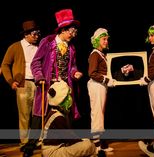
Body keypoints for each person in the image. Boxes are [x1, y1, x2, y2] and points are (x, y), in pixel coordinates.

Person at [23, 9, 83, 157]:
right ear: (63, 30)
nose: (73, 34)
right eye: (71, 31)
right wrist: (39, 76)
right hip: (48, 85)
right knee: (40, 115)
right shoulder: (47, 42)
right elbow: (36, 63)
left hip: (64, 86)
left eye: (75, 31)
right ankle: (30, 146)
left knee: (65, 115)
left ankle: (68, 141)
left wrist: (74, 73)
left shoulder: (71, 48)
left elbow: (72, 66)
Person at [1, 20, 41, 148]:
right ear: (26, 34)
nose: (37, 36)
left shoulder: (38, 48)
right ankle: (24, 141)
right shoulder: (15, 47)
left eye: (37, 33)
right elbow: (5, 65)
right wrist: (11, 81)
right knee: (24, 114)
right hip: (23, 84)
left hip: (38, 84)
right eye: (34, 34)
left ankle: (36, 140)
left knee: (37, 114)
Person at [41, 80, 97, 157]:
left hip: (57, 148)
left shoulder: (55, 112)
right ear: (62, 99)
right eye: (68, 96)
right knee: (88, 145)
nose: (70, 98)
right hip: (53, 152)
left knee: (86, 142)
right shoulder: (58, 117)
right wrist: (84, 143)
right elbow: (70, 139)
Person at [87, 28, 115, 152]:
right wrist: (106, 80)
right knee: (97, 113)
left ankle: (101, 143)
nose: (106, 41)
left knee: (100, 113)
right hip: (96, 85)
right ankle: (97, 144)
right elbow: (92, 73)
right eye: (104, 39)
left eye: (107, 39)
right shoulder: (95, 54)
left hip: (101, 86)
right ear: (97, 40)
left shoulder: (101, 54)